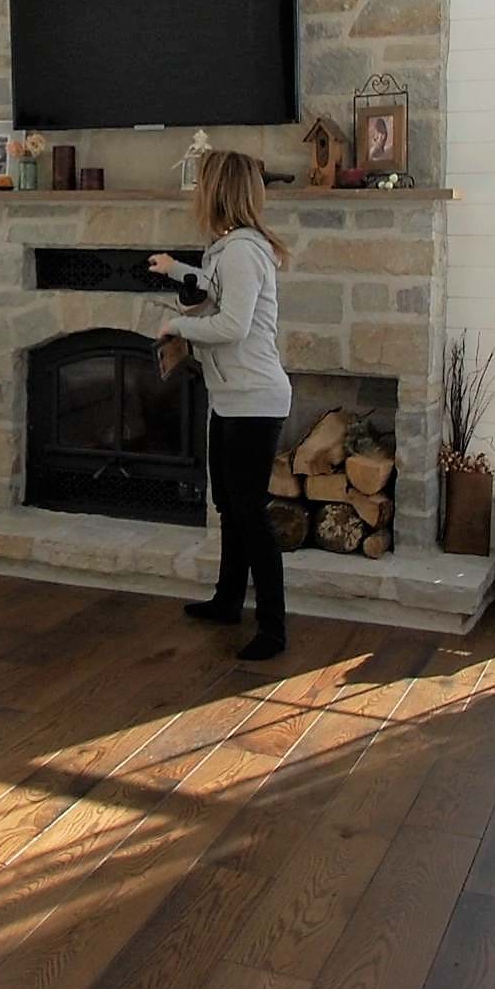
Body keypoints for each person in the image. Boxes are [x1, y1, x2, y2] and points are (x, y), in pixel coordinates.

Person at [149, 149, 292, 660]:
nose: (195, 194)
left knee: (250, 511)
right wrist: (175, 270)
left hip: (254, 398)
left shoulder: (242, 251)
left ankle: (273, 628)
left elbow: (232, 324)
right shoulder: (230, 249)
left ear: (218, 192)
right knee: (230, 505)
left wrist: (176, 326)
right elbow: (215, 287)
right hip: (232, 399)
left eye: (201, 184)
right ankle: (229, 600)